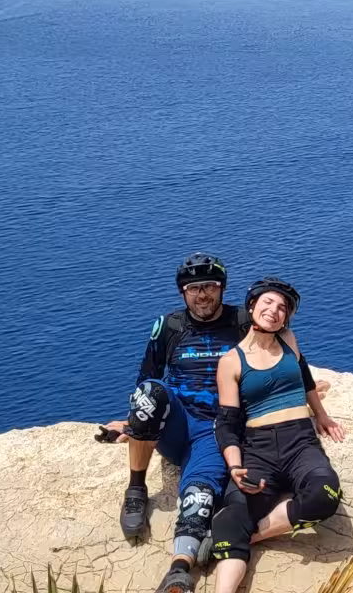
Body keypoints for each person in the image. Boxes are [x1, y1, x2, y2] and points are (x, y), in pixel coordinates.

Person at [100, 252, 248, 593]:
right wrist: (131, 423)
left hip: (217, 428)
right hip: (178, 422)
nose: (203, 295)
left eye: (209, 286)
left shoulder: (242, 321)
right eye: (194, 288)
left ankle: (180, 570)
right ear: (183, 293)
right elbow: (147, 378)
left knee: (199, 491)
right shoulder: (170, 326)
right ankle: (136, 488)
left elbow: (271, 362)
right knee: (151, 392)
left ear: (222, 288)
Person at [209, 277, 346, 593]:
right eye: (268, 303)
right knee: (229, 518)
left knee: (325, 492)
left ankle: (254, 534)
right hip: (258, 448)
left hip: (300, 443)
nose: (274, 310)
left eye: (283, 308)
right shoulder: (231, 361)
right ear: (253, 305)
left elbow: (305, 377)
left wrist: (321, 415)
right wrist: (235, 466)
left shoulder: (289, 340)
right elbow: (227, 424)